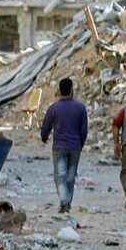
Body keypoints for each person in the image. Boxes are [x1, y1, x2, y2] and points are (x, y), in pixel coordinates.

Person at [40, 78, 88, 213]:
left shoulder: (54, 108)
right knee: (70, 177)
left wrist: (44, 137)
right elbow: (84, 130)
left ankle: (64, 202)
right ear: (72, 89)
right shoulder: (80, 107)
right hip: (75, 146)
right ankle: (67, 202)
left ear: (60, 90)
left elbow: (46, 127)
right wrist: (80, 144)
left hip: (59, 146)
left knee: (60, 176)